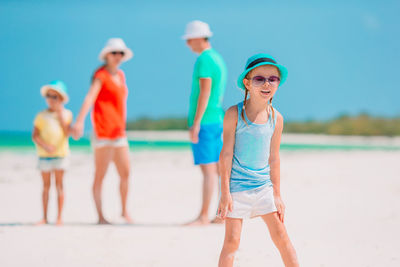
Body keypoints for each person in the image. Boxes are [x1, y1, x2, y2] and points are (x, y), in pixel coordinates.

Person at [217, 54, 299, 266]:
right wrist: (225, 193)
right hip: (237, 189)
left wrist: (277, 194)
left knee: (282, 238)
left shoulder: (276, 118)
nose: (266, 84)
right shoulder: (234, 114)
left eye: (273, 79)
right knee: (232, 242)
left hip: (264, 188)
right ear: (247, 83)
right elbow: (225, 154)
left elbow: (274, 158)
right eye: (259, 79)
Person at [71, 38, 133, 224]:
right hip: (103, 131)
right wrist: (79, 122)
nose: (117, 56)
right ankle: (100, 216)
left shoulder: (121, 75)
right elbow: (90, 98)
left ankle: (124, 211)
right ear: (106, 55)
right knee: (100, 174)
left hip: (119, 132)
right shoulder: (101, 75)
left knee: (125, 173)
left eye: (120, 53)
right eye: (114, 53)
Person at [182, 20, 228, 225]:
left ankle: (203, 216)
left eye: (190, 39)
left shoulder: (204, 59)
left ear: (200, 38)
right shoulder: (217, 58)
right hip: (217, 118)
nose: (188, 44)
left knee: (208, 170)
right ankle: (221, 214)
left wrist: (196, 122)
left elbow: (205, 91)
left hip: (206, 121)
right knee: (218, 169)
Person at [32, 80, 73, 226]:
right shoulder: (41, 115)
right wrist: (46, 146)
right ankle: (44, 217)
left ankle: (59, 217)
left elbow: (67, 132)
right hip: (44, 156)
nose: (51, 99)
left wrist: (61, 116)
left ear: (61, 99)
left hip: (61, 155)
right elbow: (35, 135)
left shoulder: (67, 114)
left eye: (54, 97)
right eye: (49, 96)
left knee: (60, 185)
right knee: (45, 186)